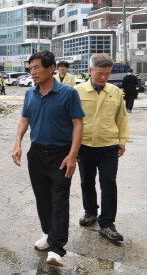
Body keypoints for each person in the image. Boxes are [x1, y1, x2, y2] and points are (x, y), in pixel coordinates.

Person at [12, 51, 84, 267]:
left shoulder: (68, 93)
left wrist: (72, 156)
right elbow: (24, 120)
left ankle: (57, 249)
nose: (32, 72)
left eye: (36, 68)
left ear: (51, 68)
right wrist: (17, 144)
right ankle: (49, 234)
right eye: (30, 68)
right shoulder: (30, 93)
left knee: (59, 201)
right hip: (37, 154)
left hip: (61, 156)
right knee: (42, 199)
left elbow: (78, 124)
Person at [75, 54, 129, 242]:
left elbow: (121, 117)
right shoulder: (77, 91)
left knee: (108, 183)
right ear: (90, 71)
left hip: (108, 146)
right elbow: (70, 121)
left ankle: (107, 223)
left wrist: (122, 140)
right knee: (86, 182)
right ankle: (90, 212)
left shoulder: (115, 91)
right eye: (100, 74)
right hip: (85, 146)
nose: (104, 78)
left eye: (107, 74)